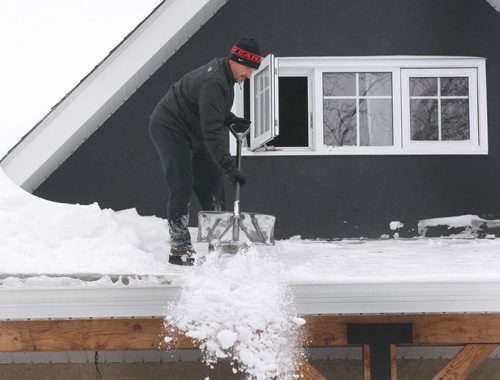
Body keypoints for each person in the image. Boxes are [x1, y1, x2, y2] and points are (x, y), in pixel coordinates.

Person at [149, 37, 262, 266]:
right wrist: (230, 167)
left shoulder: (226, 77)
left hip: (194, 129)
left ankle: (219, 240)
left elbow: (211, 110)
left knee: (212, 183)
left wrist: (229, 119)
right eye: (249, 68)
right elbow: (212, 132)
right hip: (170, 128)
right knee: (182, 184)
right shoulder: (215, 81)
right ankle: (180, 248)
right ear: (237, 61)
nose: (249, 75)